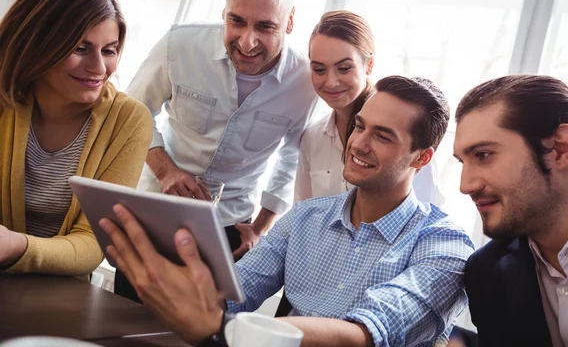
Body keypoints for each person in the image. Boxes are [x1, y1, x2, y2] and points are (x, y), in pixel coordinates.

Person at [102, 76, 475, 347]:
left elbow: (369, 332)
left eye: (382, 136)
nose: (357, 144)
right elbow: (234, 293)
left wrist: (221, 325)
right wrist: (175, 276)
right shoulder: (305, 219)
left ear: (422, 158)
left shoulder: (445, 244)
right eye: (360, 126)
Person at [125, 0, 317, 263]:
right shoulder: (179, 45)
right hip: (154, 208)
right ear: (224, 11)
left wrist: (261, 227)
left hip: (231, 228)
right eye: (237, 21)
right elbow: (132, 113)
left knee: (206, 313)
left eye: (266, 26)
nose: (247, 42)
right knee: (127, 310)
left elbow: (293, 156)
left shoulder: (306, 80)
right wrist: (166, 170)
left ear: (290, 21)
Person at [0, 0, 153, 277]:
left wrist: (16, 246)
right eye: (80, 48)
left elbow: (93, 244)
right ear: (37, 44)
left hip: (61, 296)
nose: (98, 68)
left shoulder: (129, 121)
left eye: (109, 51)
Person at [453, 75, 568, 347]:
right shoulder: (486, 274)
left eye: (483, 155)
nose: (465, 185)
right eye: (462, 161)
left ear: (560, 148)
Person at [295, 10, 444, 205]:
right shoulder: (312, 137)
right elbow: (301, 212)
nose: (330, 82)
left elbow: (426, 213)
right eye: (319, 69)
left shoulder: (408, 134)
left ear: (369, 65)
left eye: (344, 68)